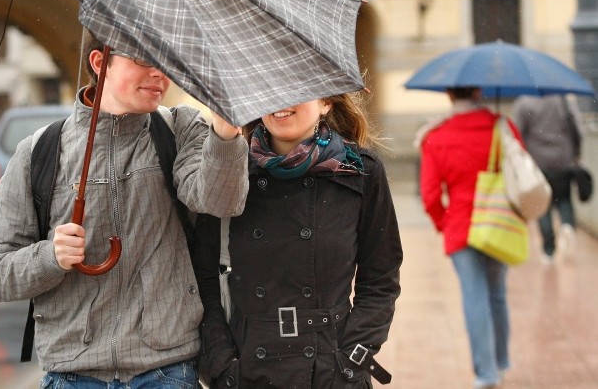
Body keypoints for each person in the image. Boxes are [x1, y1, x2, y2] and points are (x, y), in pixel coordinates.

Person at [0, 33, 250, 387]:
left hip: (166, 370)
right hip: (72, 375)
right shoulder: (38, 153)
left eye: (165, 62)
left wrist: (227, 133)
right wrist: (51, 256)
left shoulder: (179, 130)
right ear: (99, 62)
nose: (159, 74)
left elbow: (219, 200)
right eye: (144, 60)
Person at [195, 90, 403, 388]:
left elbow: (381, 278)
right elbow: (202, 276)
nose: (280, 102)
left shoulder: (359, 170)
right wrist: (221, 364)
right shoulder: (229, 171)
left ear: (326, 102)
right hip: (248, 370)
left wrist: (352, 359)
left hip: (331, 371)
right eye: (270, 89)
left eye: (296, 90)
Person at [417, 87, 520, 389]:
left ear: (449, 94)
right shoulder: (503, 127)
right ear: (478, 92)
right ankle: (501, 362)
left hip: (461, 226)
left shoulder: (436, 136)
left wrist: (444, 223)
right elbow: (519, 171)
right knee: (497, 294)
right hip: (500, 221)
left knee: (474, 297)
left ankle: (485, 373)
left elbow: (431, 195)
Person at [511, 94, 583, 263]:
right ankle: (567, 225)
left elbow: (517, 133)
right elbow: (576, 129)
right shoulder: (562, 100)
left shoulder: (524, 103)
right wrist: (577, 153)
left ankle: (549, 250)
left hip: (537, 163)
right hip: (563, 159)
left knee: (543, 206)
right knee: (564, 199)